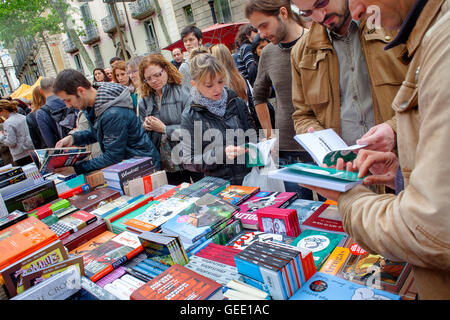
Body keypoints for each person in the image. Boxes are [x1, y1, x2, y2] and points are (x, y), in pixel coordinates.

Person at [302, 0, 450, 299]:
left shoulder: (438, 40)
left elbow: (431, 231)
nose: (357, 11)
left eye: (322, 3)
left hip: (390, 216)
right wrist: (401, 175)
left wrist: (348, 195)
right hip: (389, 190)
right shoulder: (426, 30)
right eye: (307, 13)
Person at [290, 0, 408, 152]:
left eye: (321, 3)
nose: (319, 16)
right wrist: (320, 141)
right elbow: (302, 115)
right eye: (308, 13)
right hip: (346, 169)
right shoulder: (301, 52)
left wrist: (394, 129)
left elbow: (430, 95)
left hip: (405, 162)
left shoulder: (394, 25)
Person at [245, 0, 314, 198]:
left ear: (283, 13)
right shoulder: (267, 53)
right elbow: (258, 95)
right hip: (288, 148)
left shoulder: (317, 41)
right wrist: (269, 135)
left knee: (338, 210)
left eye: (264, 25)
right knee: (300, 210)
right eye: (257, 28)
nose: (262, 34)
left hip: (324, 142)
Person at [52, 69, 161, 175]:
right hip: (133, 165)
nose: (68, 106)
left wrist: (76, 169)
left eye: (68, 100)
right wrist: (74, 138)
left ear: (81, 91)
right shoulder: (96, 106)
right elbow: (99, 132)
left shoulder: (112, 113)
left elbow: (112, 156)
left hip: (142, 167)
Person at [179, 48, 256, 185]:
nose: (217, 89)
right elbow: (188, 160)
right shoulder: (190, 115)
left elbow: (252, 137)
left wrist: (263, 147)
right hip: (219, 187)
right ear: (194, 84)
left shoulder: (236, 102)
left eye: (220, 82)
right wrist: (220, 154)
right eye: (209, 85)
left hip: (250, 180)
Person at [137, 54, 195, 185]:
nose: (154, 81)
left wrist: (164, 129)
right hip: (165, 163)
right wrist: (145, 127)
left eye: (157, 75)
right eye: (149, 78)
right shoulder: (144, 101)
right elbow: (141, 136)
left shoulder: (184, 92)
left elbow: (194, 129)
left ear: (166, 69)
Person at [36, 77, 77, 148]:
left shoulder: (41, 113)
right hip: (81, 142)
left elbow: (49, 140)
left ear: (41, 91)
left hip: (65, 150)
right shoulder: (70, 100)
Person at [0, 99, 34, 166]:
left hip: (20, 154)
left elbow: (11, 142)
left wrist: (1, 137)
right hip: (31, 149)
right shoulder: (22, 117)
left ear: (4, 111)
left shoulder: (8, 123)